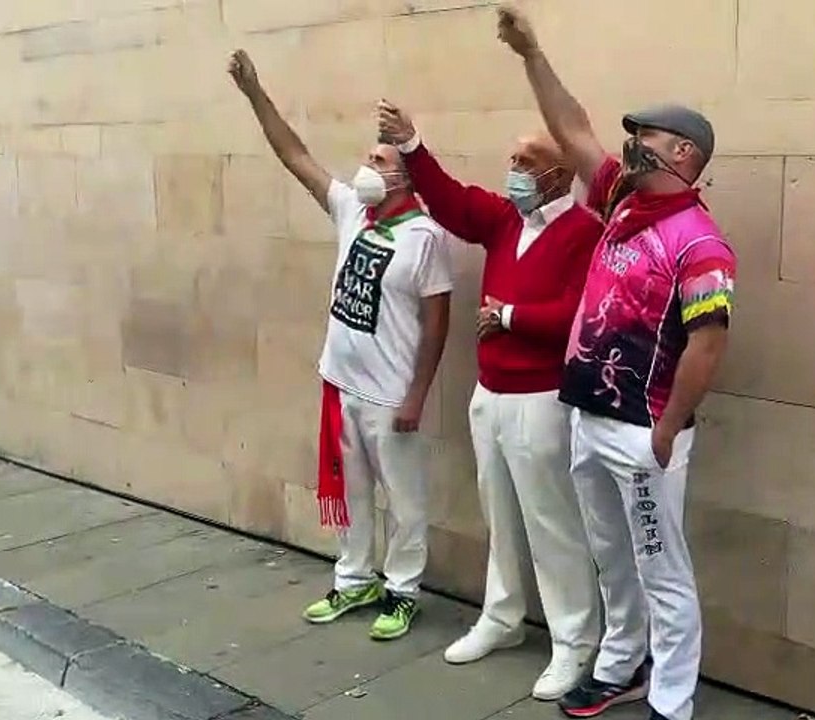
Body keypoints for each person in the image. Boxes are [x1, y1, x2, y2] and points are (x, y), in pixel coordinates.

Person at [495, 7, 736, 720]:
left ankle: (672, 697)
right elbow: (572, 129)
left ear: (683, 153)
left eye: (646, 137)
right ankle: (620, 665)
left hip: (644, 433)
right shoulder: (621, 201)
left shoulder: (700, 243)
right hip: (589, 418)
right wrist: (531, 54)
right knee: (611, 556)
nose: (630, 147)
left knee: (662, 567)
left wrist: (667, 428)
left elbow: (709, 342)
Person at [374, 100, 604, 699]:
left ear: (558, 175)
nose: (514, 170)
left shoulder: (585, 232)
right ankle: (502, 616)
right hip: (492, 394)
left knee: (551, 522)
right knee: (498, 513)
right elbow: (450, 200)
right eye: (513, 159)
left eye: (526, 162)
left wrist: (510, 316)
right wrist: (411, 145)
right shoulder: (505, 220)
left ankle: (575, 640)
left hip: (542, 399)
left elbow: (578, 314)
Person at [228, 49, 452, 642]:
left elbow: (437, 324)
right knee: (350, 493)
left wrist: (417, 394)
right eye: (367, 156)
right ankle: (354, 579)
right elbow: (295, 155)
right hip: (342, 384)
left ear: (404, 177)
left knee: (403, 500)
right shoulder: (353, 209)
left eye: (379, 159)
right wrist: (255, 94)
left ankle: (403, 591)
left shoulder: (425, 238)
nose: (365, 166)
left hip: (390, 395)